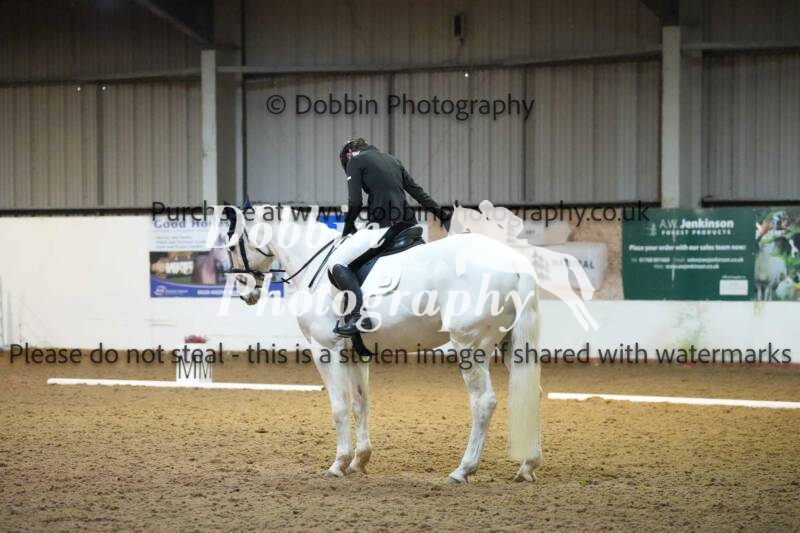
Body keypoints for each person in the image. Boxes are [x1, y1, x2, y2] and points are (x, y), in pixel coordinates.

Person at [329, 138, 450, 336]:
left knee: (337, 263)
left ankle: (359, 315)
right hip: (410, 226)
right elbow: (417, 191)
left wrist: (348, 230)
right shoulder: (393, 160)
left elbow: (355, 202)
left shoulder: (355, 161)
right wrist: (442, 215)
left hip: (384, 227)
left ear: (349, 153)